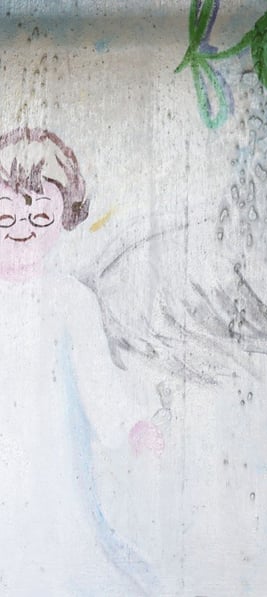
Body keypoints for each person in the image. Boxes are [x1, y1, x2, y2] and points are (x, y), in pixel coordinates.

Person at [0, 126, 164, 594]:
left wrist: (132, 424)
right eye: (5, 214)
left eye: (39, 214)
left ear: (65, 215)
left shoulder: (71, 299)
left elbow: (98, 381)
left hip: (50, 460)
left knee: (60, 554)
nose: (21, 228)